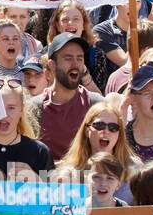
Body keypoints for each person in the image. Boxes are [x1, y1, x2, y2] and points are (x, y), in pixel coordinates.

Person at [30, 32, 101, 160]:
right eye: (68, 59)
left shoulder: (95, 104)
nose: (75, 64)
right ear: (52, 65)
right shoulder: (35, 108)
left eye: (79, 59)